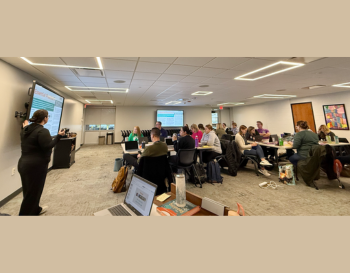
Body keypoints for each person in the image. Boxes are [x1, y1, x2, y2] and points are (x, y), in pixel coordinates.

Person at [18, 109, 66, 215]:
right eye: (47, 116)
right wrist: (59, 136)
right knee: (33, 193)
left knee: (29, 192)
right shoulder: (42, 131)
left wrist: (25, 125)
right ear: (45, 118)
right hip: (36, 166)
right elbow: (48, 146)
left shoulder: (25, 129)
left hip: (23, 164)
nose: (48, 118)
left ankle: (36, 210)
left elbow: (27, 129)